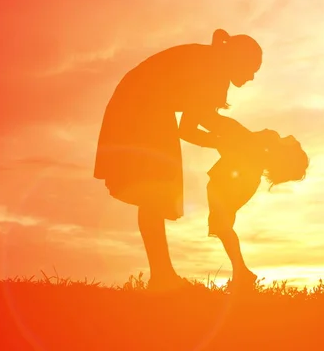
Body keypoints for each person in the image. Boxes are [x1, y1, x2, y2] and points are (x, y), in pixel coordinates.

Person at [93, 29, 274, 291]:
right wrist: (234, 141)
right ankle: (162, 277)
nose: (252, 76)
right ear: (238, 59)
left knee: (155, 190)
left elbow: (193, 125)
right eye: (252, 68)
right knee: (153, 190)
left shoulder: (214, 66)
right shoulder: (211, 69)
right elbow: (196, 127)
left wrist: (236, 139)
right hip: (139, 109)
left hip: (145, 108)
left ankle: (162, 276)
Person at [206, 129, 309, 290]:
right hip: (240, 179)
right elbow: (240, 145)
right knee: (223, 226)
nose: (296, 139)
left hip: (237, 179)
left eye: (297, 145)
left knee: (222, 226)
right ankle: (241, 272)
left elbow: (241, 146)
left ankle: (241, 272)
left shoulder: (271, 139)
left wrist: (219, 139)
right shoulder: (271, 141)